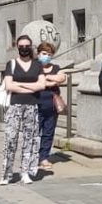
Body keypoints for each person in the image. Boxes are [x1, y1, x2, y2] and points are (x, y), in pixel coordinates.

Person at [0, 35, 46, 185]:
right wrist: (31, 87)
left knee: (30, 139)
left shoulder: (37, 65)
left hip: (32, 106)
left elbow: (42, 85)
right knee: (11, 139)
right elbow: (8, 85)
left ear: (31, 47)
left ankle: (26, 172)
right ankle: (7, 174)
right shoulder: (11, 64)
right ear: (17, 47)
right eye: (21, 46)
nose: (24, 48)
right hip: (15, 105)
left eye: (27, 46)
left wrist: (20, 85)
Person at [36, 42, 67, 172]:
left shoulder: (55, 67)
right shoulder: (33, 67)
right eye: (44, 54)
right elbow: (35, 81)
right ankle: (32, 155)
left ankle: (44, 157)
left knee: (48, 132)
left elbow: (62, 77)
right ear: (38, 54)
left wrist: (47, 78)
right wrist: (51, 82)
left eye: (49, 54)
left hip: (52, 106)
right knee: (34, 132)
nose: (46, 56)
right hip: (36, 104)